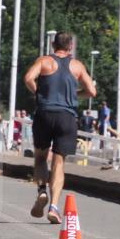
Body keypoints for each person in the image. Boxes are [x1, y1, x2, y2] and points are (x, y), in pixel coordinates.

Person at [23, 32, 96, 224]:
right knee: (59, 163)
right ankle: (54, 207)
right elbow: (92, 91)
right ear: (70, 46)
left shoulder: (45, 61)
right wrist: (74, 94)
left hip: (45, 113)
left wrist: (39, 92)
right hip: (67, 117)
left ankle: (41, 191)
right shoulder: (77, 66)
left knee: (40, 157)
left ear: (53, 44)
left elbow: (28, 78)